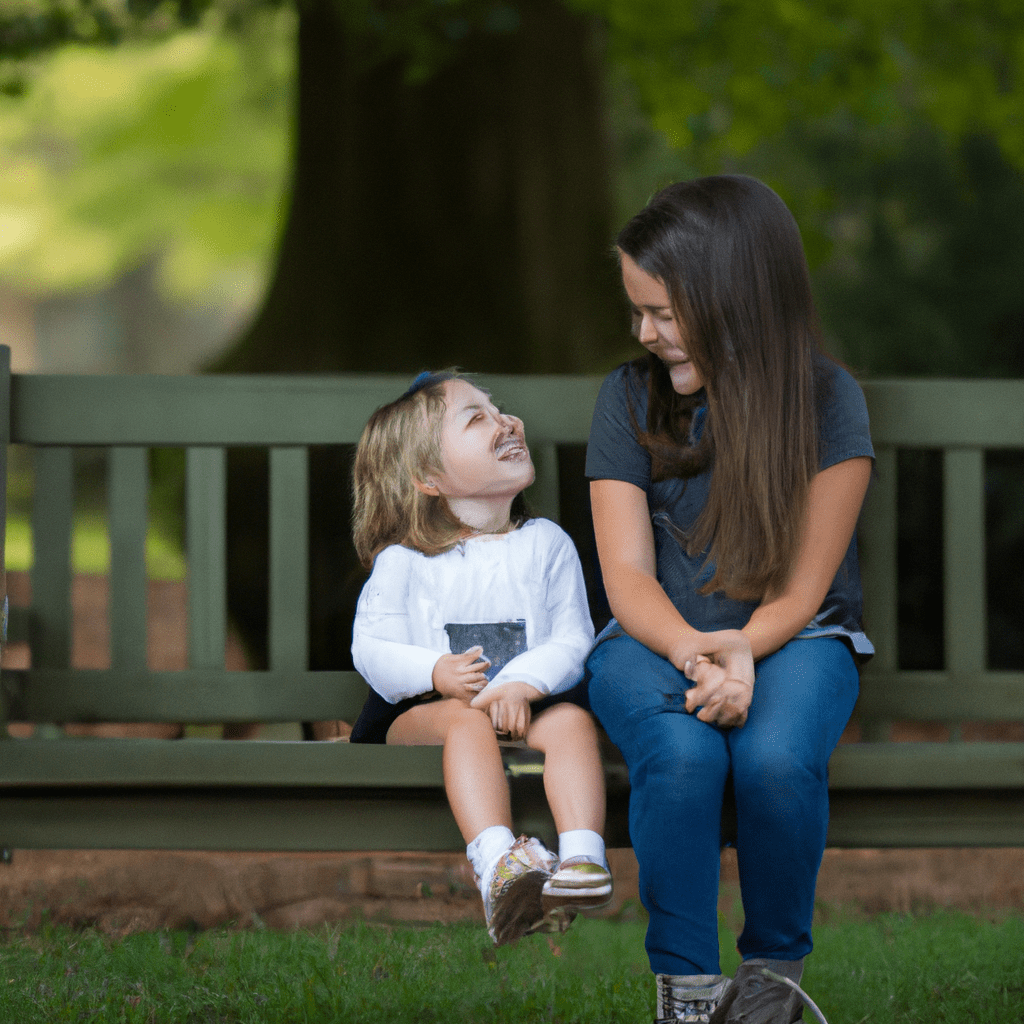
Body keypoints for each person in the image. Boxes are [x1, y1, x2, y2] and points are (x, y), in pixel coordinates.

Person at [585, 176, 873, 1024]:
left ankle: (769, 989)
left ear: (734, 296)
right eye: (637, 312)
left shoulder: (826, 402)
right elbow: (629, 575)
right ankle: (688, 993)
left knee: (775, 761)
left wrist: (747, 647)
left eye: (664, 313)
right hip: (650, 640)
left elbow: (805, 587)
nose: (645, 333)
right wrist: (692, 651)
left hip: (796, 637)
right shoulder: (627, 399)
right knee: (684, 759)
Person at [349, 370, 613, 946]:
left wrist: (520, 683)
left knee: (572, 722)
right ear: (428, 477)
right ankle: (498, 864)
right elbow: (370, 649)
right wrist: (435, 673)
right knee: (465, 721)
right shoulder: (405, 562)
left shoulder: (546, 544)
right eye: (477, 418)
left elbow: (574, 640)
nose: (506, 422)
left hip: (529, 710)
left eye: (501, 410)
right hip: (428, 717)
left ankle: (581, 861)